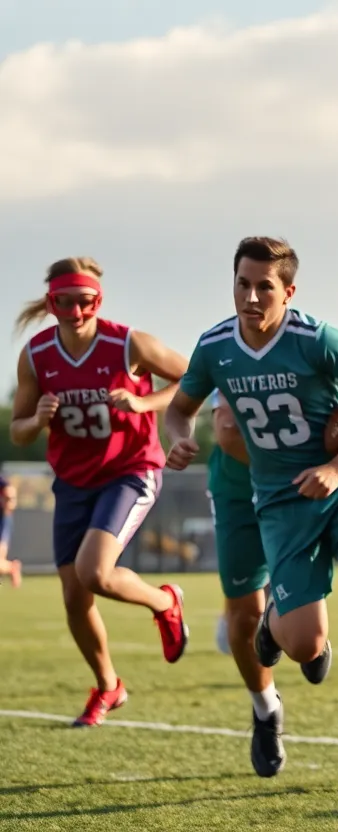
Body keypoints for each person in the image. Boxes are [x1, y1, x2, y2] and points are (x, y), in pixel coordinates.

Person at [163, 237, 338, 785]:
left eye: (265, 287)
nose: (251, 297)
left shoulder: (314, 337)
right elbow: (179, 411)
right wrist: (178, 438)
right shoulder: (214, 347)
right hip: (280, 501)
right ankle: (273, 667)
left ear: (288, 291)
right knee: (303, 643)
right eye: (242, 284)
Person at [9, 257, 189, 727]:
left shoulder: (126, 343)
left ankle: (166, 602)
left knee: (93, 571)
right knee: (74, 597)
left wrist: (144, 401)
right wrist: (37, 419)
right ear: (52, 303)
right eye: (64, 302)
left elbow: (193, 378)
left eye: (83, 301)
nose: (75, 310)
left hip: (130, 470)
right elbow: (19, 432)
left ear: (98, 300)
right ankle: (109, 686)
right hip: (72, 481)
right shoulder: (36, 355)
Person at [206, 389, 287, 776]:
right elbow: (223, 427)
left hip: (293, 487)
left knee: (300, 618)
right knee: (242, 621)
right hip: (236, 493)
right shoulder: (224, 349)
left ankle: (304, 632)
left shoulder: (310, 343)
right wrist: (179, 430)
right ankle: (265, 709)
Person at [0, 472, 21, 588]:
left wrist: (8, 503)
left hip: (2, 520)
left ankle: (12, 568)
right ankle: (11, 568)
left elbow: (10, 492)